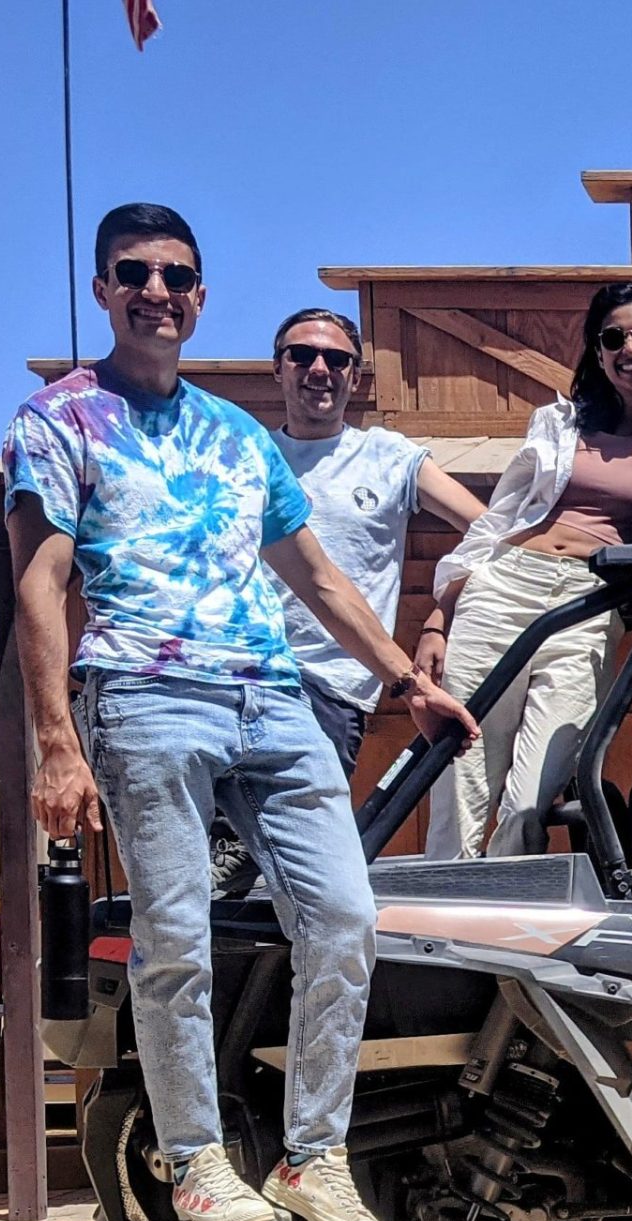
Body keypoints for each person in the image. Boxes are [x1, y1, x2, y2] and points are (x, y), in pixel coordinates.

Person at [3, 202, 476, 1221]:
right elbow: (37, 586)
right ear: (102, 290)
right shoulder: (59, 422)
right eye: (134, 273)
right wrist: (54, 741)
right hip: (144, 690)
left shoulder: (235, 433)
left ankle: (315, 1155)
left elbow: (316, 575)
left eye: (176, 276)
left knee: (346, 915)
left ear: (201, 298)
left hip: (273, 695)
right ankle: (197, 1160)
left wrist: (407, 678)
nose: (156, 292)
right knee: (176, 933)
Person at [420, 281, 632, 858]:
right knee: (462, 768)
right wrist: (437, 617)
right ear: (599, 352)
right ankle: (446, 922)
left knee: (535, 794)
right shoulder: (560, 424)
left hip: (589, 601)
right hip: (505, 584)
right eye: (614, 338)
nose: (630, 348)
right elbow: (497, 518)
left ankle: (504, 923)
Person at [210, 307, 488, 892]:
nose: (320, 369)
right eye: (302, 355)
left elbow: (489, 531)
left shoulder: (390, 458)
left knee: (300, 866)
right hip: (240, 676)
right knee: (223, 870)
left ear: (354, 378)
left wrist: (439, 618)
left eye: (336, 359)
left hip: (334, 690)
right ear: (278, 371)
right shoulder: (246, 459)